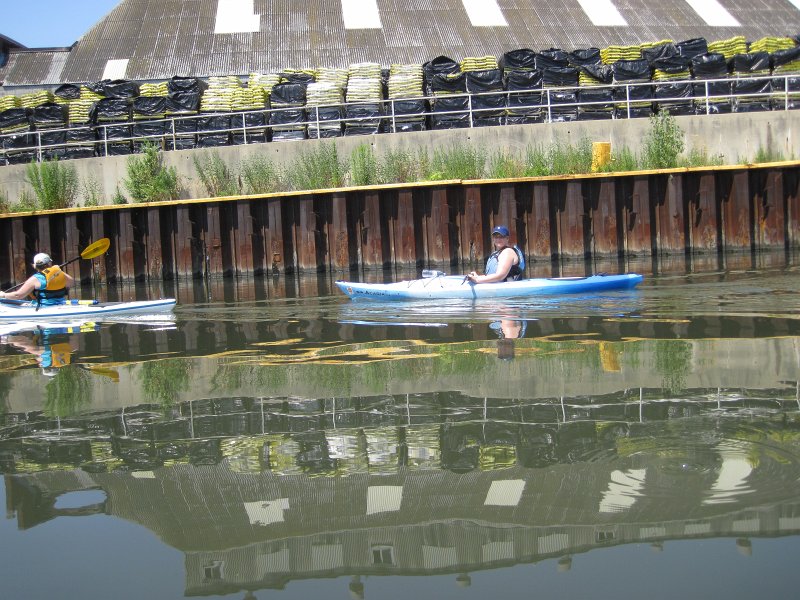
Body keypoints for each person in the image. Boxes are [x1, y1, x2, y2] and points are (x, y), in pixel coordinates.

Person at [0, 252, 74, 306]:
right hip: (60, 304)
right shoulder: (60, 273)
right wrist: (57, 270)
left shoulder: (34, 279)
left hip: (43, 307)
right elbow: (71, 283)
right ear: (49, 263)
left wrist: (3, 295)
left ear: (35, 266)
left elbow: (18, 295)